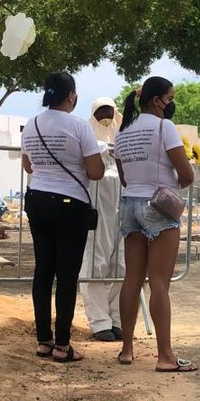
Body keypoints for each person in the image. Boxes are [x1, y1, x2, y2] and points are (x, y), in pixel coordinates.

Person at [113, 76, 196, 372]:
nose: (171, 104)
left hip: (129, 204)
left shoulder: (122, 133)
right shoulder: (165, 128)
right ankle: (165, 356)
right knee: (159, 282)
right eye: (170, 98)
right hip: (159, 206)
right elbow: (186, 174)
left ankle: (126, 349)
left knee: (131, 279)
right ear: (156, 99)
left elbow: (124, 177)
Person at [21, 73, 104, 362]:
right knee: (67, 275)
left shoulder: (31, 124)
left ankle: (43, 340)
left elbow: (28, 166)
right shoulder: (79, 126)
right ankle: (62, 345)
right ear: (71, 96)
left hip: (37, 198)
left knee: (43, 270)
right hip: (70, 203)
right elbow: (95, 171)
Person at [80, 98, 125, 342]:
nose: (106, 116)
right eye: (101, 111)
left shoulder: (123, 130)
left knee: (123, 264)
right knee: (94, 263)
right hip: (96, 209)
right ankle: (99, 321)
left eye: (109, 110)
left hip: (123, 208)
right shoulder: (85, 132)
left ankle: (118, 318)